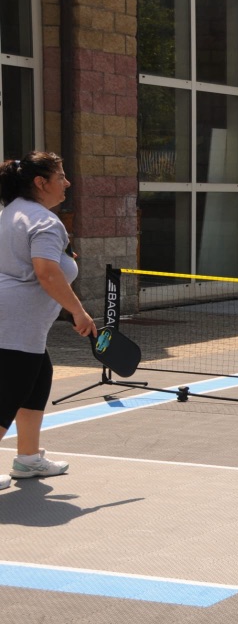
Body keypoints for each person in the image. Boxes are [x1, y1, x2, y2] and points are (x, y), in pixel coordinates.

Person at [0, 151, 97, 491]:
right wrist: (79, 312)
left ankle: (27, 459)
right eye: (61, 176)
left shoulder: (11, 213)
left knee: (38, 380)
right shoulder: (43, 220)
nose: (68, 182)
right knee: (7, 396)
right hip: (17, 324)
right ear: (41, 183)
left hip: (15, 321)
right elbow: (47, 274)